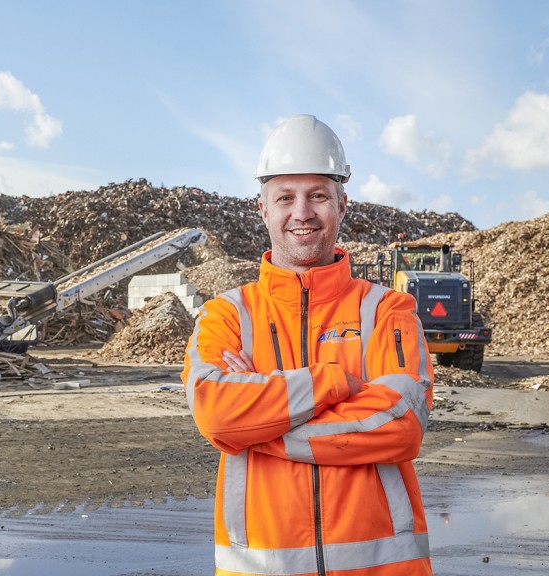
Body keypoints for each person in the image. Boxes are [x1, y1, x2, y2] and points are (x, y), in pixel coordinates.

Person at [182, 114, 434, 576]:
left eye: (317, 195)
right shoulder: (226, 315)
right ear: (263, 209)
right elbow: (216, 413)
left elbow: (402, 422)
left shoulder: (387, 310)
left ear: (342, 204)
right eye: (285, 197)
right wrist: (336, 381)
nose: (302, 212)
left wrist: (259, 429)